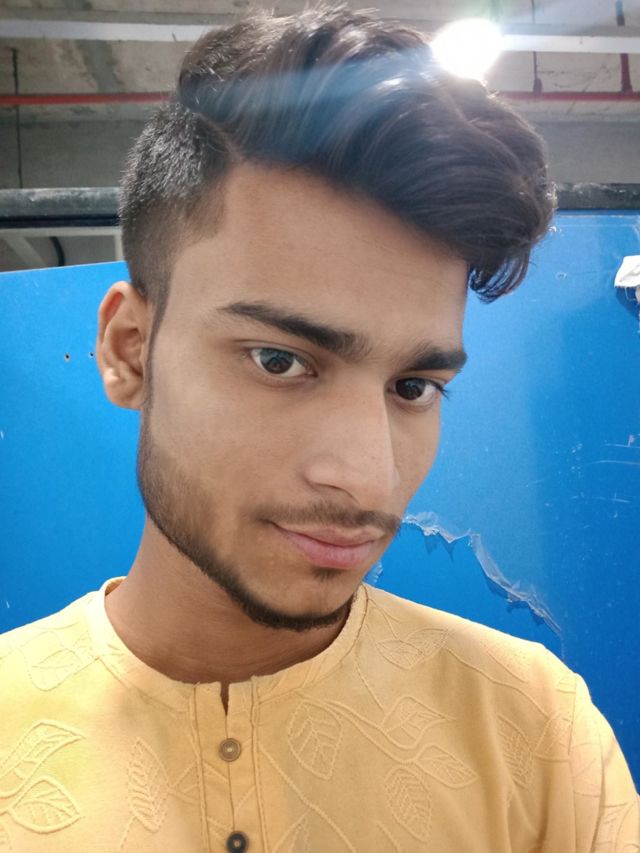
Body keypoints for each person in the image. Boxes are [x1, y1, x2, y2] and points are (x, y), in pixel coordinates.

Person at [1, 3, 637, 851]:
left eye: (413, 385)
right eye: (279, 360)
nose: (368, 478)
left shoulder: (537, 731)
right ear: (129, 351)